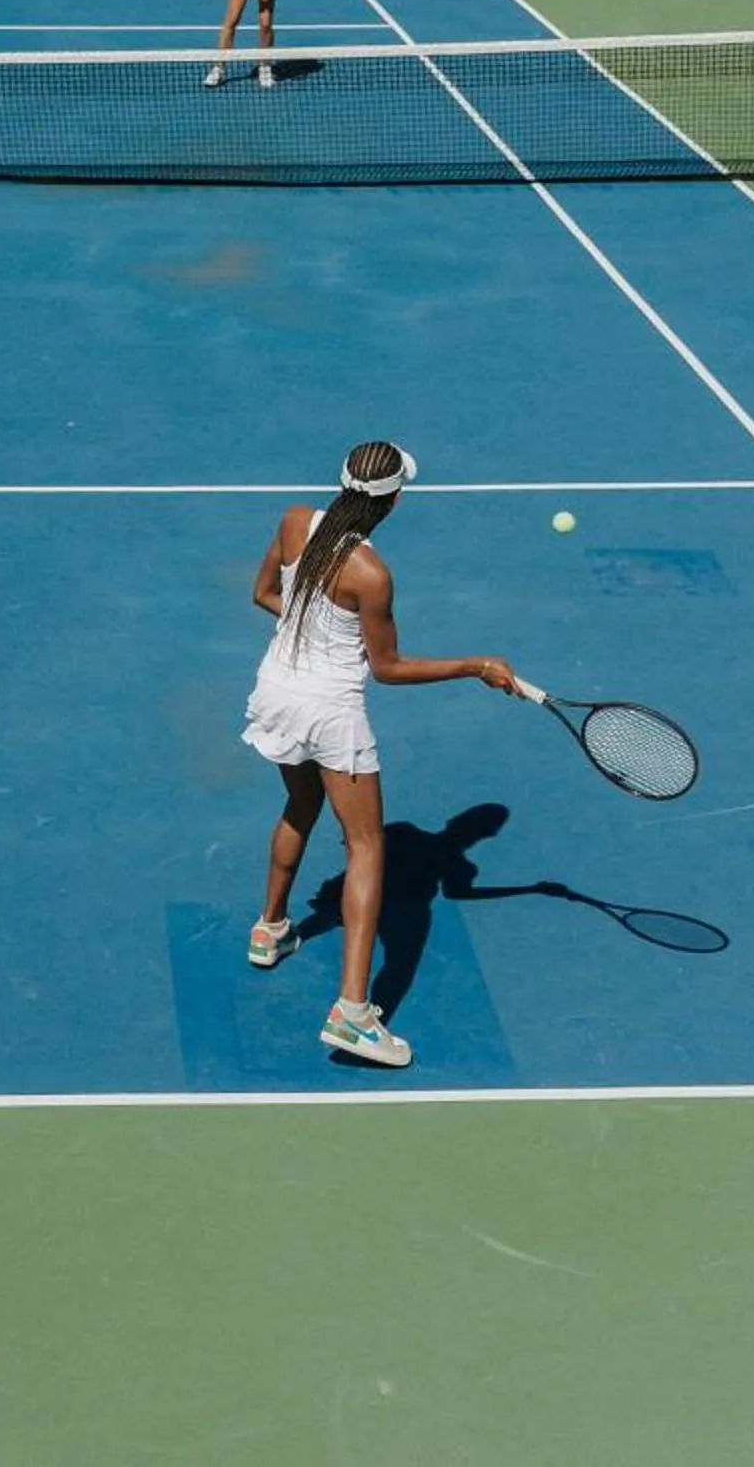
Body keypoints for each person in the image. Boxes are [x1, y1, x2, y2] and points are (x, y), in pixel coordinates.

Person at [240, 439, 518, 1068]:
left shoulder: (293, 521)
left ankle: (271, 929)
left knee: (299, 802)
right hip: (330, 713)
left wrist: (307, 635)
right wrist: (476, 665)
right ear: (393, 499)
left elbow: (263, 594)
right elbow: (388, 669)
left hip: (276, 691)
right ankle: (353, 1015)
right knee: (366, 847)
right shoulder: (372, 574)